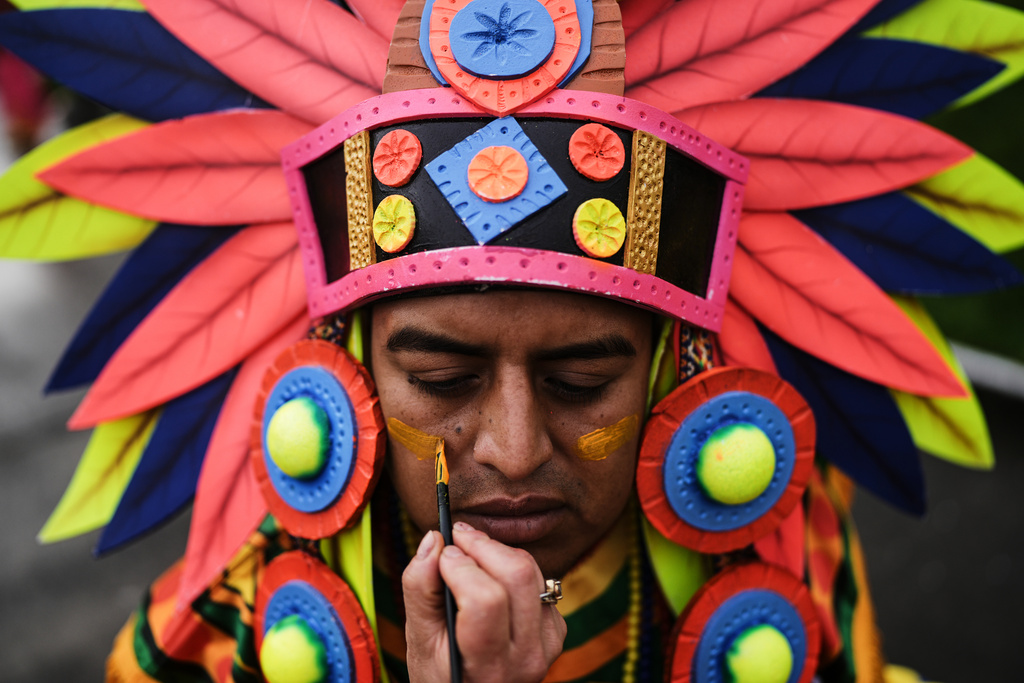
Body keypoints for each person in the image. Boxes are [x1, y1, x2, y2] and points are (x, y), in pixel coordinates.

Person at [2, 1, 1023, 682]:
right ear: (344, 370)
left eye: (584, 377)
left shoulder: (777, 575)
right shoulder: (234, 618)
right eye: (441, 375)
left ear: (679, 364)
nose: (512, 446)